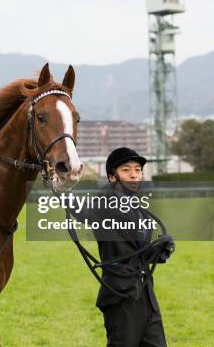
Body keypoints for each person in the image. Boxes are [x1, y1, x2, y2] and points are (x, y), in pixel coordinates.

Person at [69, 147, 175, 347]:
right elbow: (82, 212)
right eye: (126, 170)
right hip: (121, 296)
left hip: (147, 297)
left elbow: (137, 253)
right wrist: (63, 190)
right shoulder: (103, 204)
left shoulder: (140, 211)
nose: (134, 174)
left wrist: (161, 250)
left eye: (137, 169)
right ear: (112, 177)